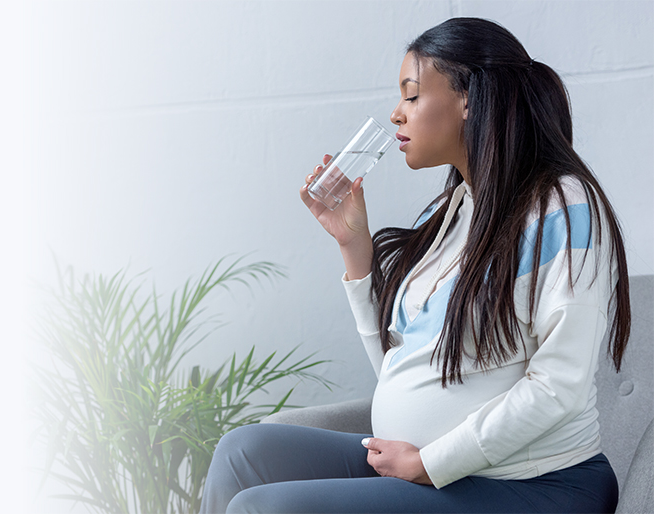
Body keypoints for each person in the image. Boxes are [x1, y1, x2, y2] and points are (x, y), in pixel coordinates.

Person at [199, 17, 630, 514]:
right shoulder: (449, 213)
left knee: (267, 508)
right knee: (241, 453)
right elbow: (404, 367)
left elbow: (561, 386)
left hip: (533, 483)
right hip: (434, 470)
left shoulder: (562, 205)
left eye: (411, 95)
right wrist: (353, 247)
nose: (396, 115)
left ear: (469, 99)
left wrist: (430, 462)